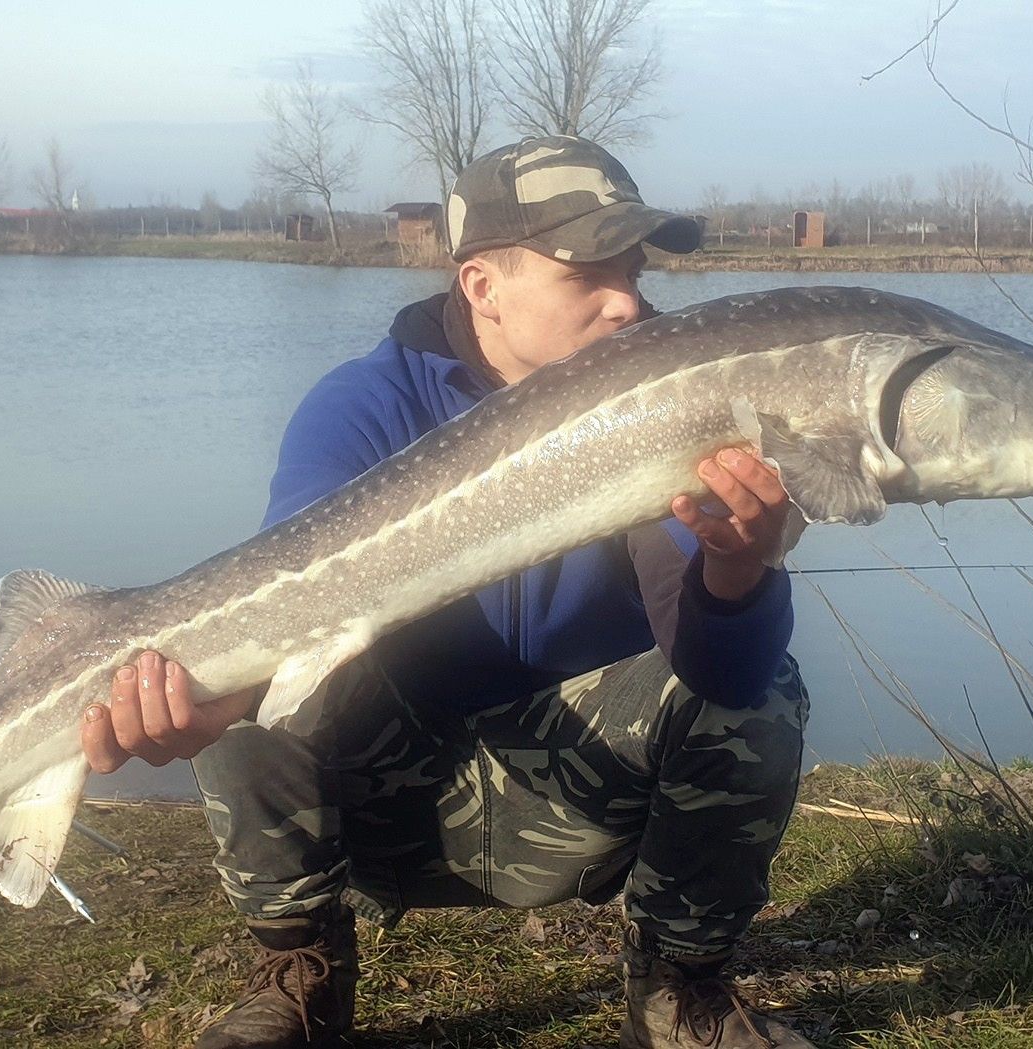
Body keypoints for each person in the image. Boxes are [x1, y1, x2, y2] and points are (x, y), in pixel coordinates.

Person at [80, 136, 813, 1049]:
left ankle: (680, 989)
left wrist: (739, 572)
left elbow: (725, 676)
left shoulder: (673, 402)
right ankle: (301, 971)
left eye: (632, 264)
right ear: (481, 286)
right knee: (260, 659)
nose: (627, 299)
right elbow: (279, 617)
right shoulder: (361, 405)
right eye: (587, 270)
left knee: (765, 688)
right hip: (386, 809)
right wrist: (202, 707)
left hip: (578, 804)